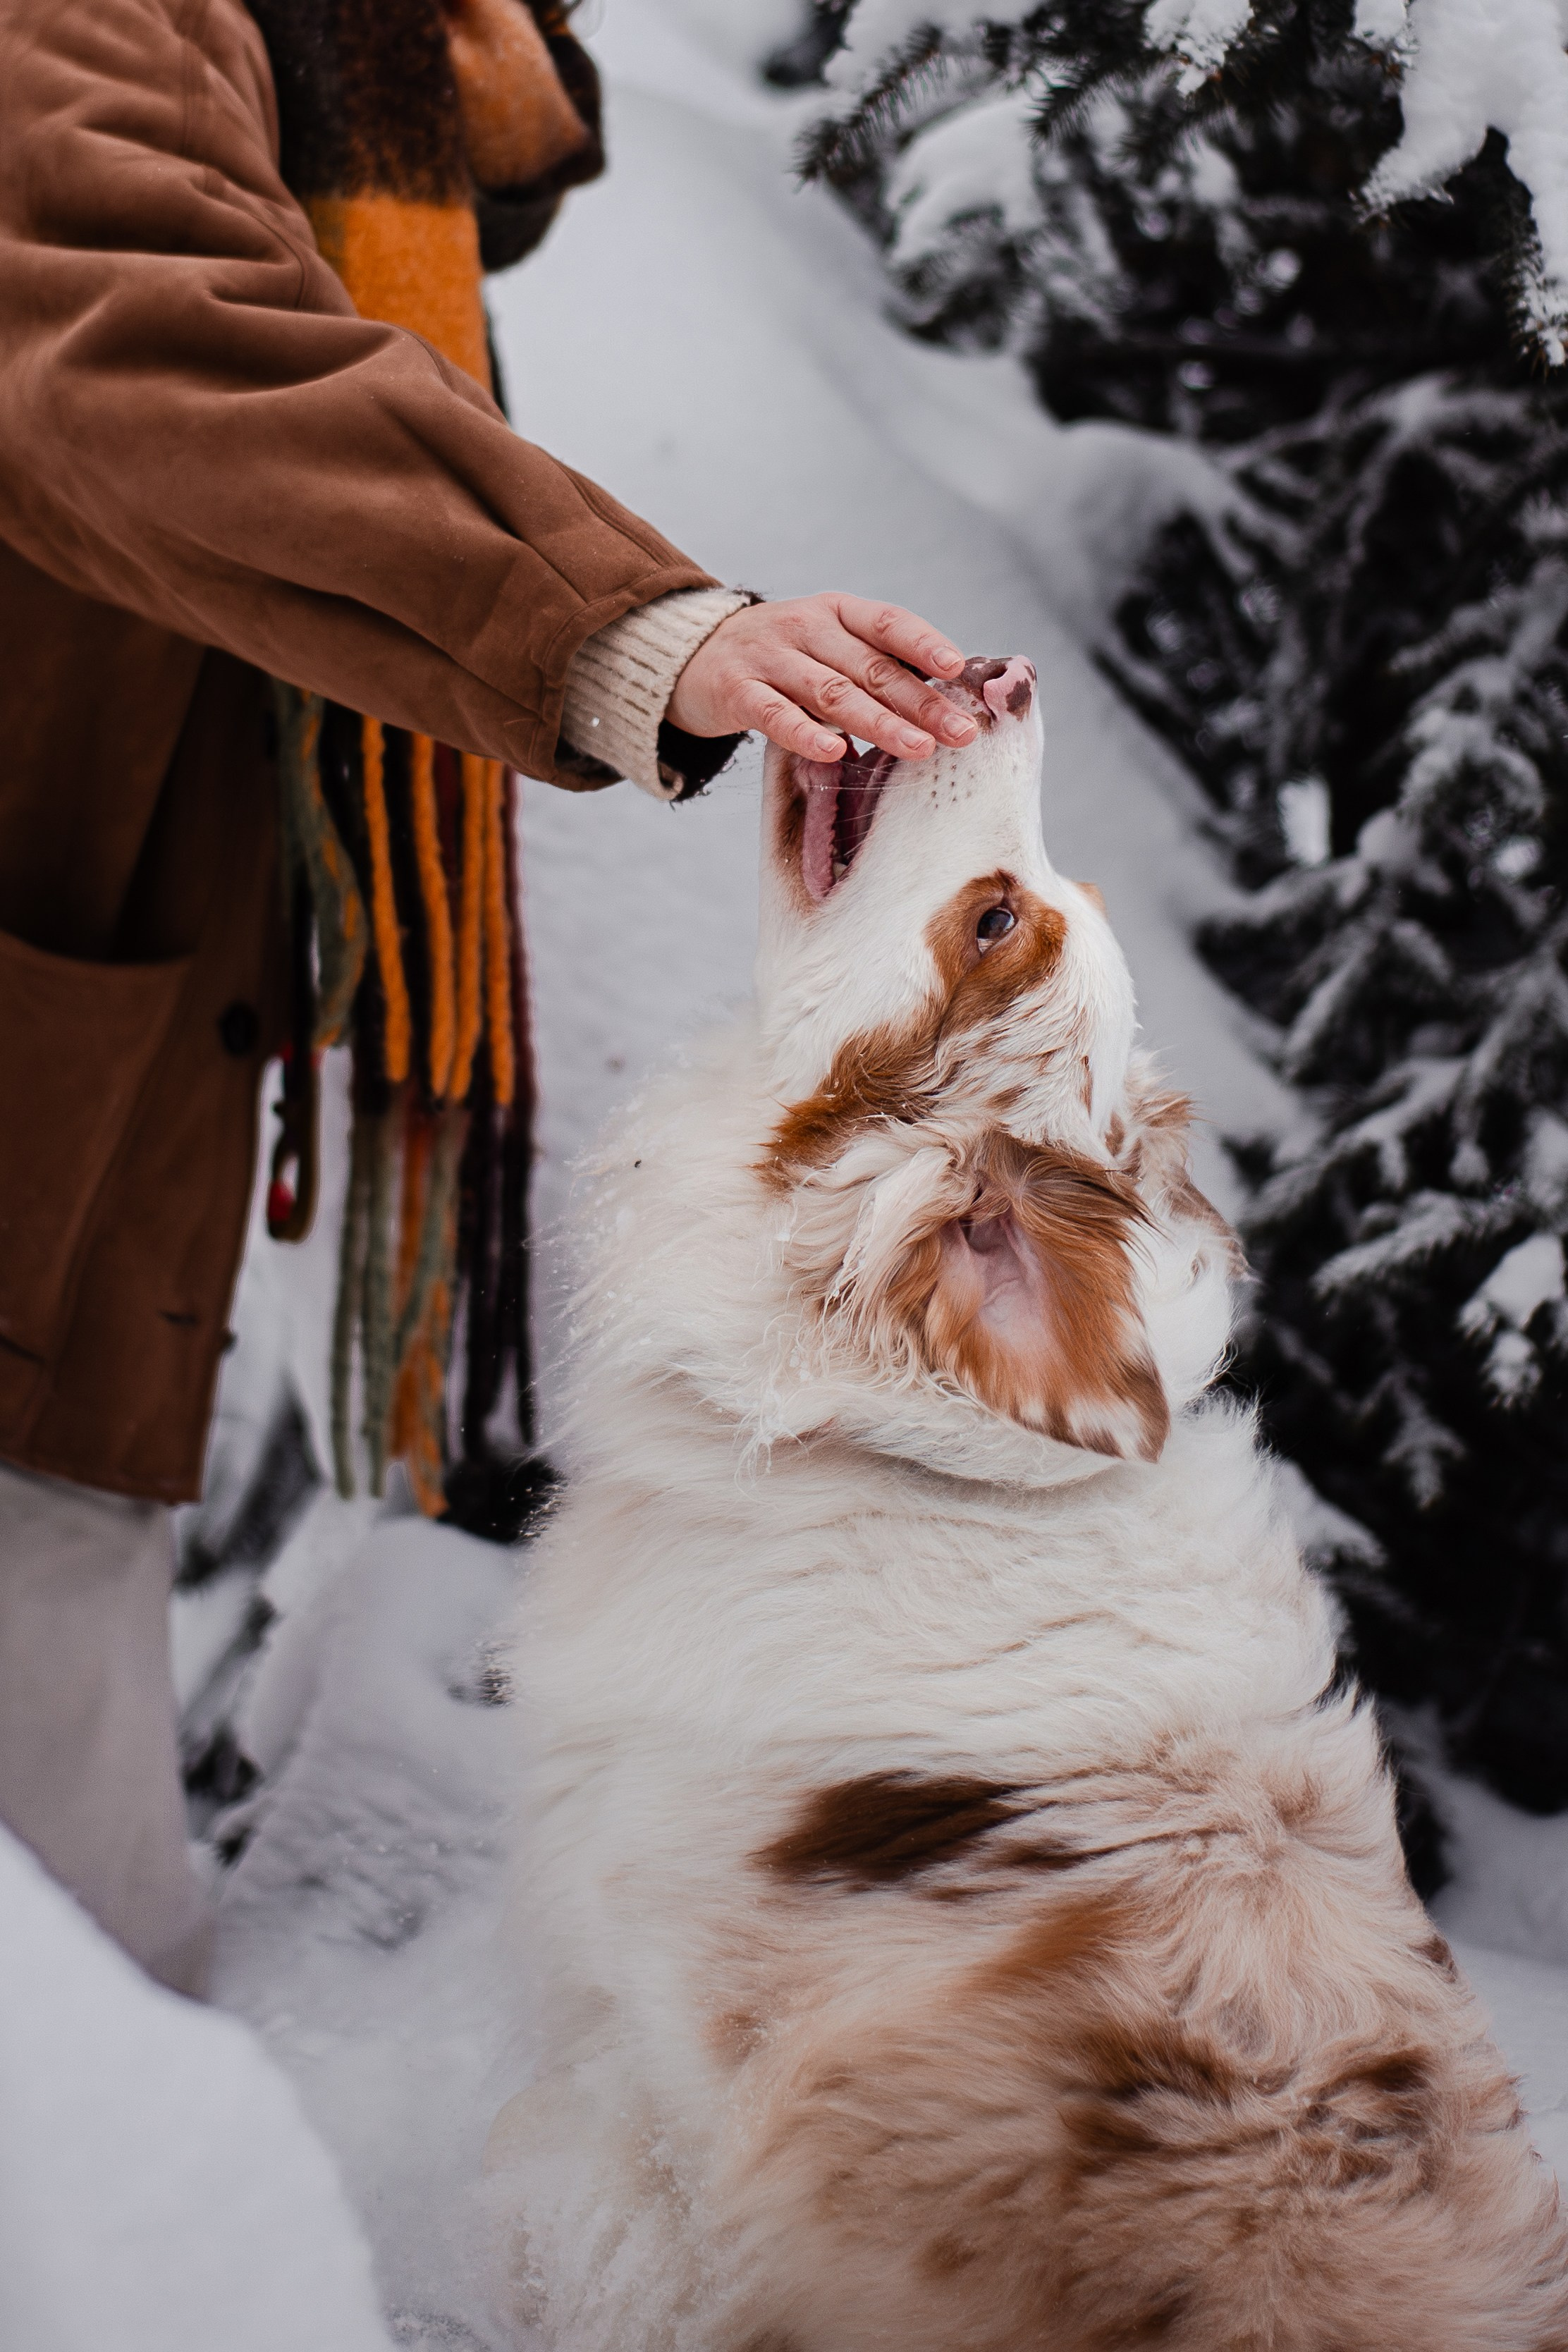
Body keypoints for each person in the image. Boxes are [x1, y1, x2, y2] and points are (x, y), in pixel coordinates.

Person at [0, 0, 980, 1995]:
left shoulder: (359, 61)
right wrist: (635, 634)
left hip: (98, 1095)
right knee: (80, 1981)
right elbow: (119, 335)